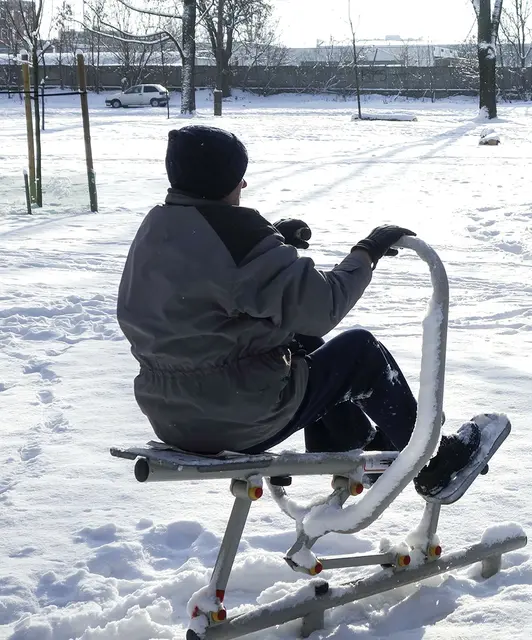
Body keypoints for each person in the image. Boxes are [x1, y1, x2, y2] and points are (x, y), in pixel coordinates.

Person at [116, 125, 476, 496]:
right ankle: (437, 464)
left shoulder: (158, 227)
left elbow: (205, 286)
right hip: (235, 418)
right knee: (359, 353)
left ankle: (355, 443)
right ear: (226, 180)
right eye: (239, 178)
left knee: (305, 342)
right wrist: (367, 251)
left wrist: (271, 242)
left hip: (172, 415)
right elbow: (324, 304)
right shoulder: (237, 237)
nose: (243, 186)